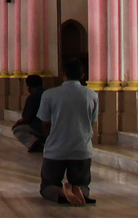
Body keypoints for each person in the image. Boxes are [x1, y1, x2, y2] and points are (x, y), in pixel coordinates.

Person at [36, 60, 98, 206]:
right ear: (82, 75)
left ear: (63, 74)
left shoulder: (49, 95)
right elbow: (92, 123)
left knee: (47, 186)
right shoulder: (92, 95)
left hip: (56, 149)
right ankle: (80, 192)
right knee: (83, 184)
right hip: (81, 149)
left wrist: (51, 139)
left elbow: (45, 124)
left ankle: (62, 192)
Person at [10, 74, 48, 153]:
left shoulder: (32, 97)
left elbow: (27, 118)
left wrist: (17, 123)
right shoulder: (48, 93)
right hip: (51, 125)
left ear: (29, 86)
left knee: (17, 129)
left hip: (40, 126)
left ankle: (34, 143)